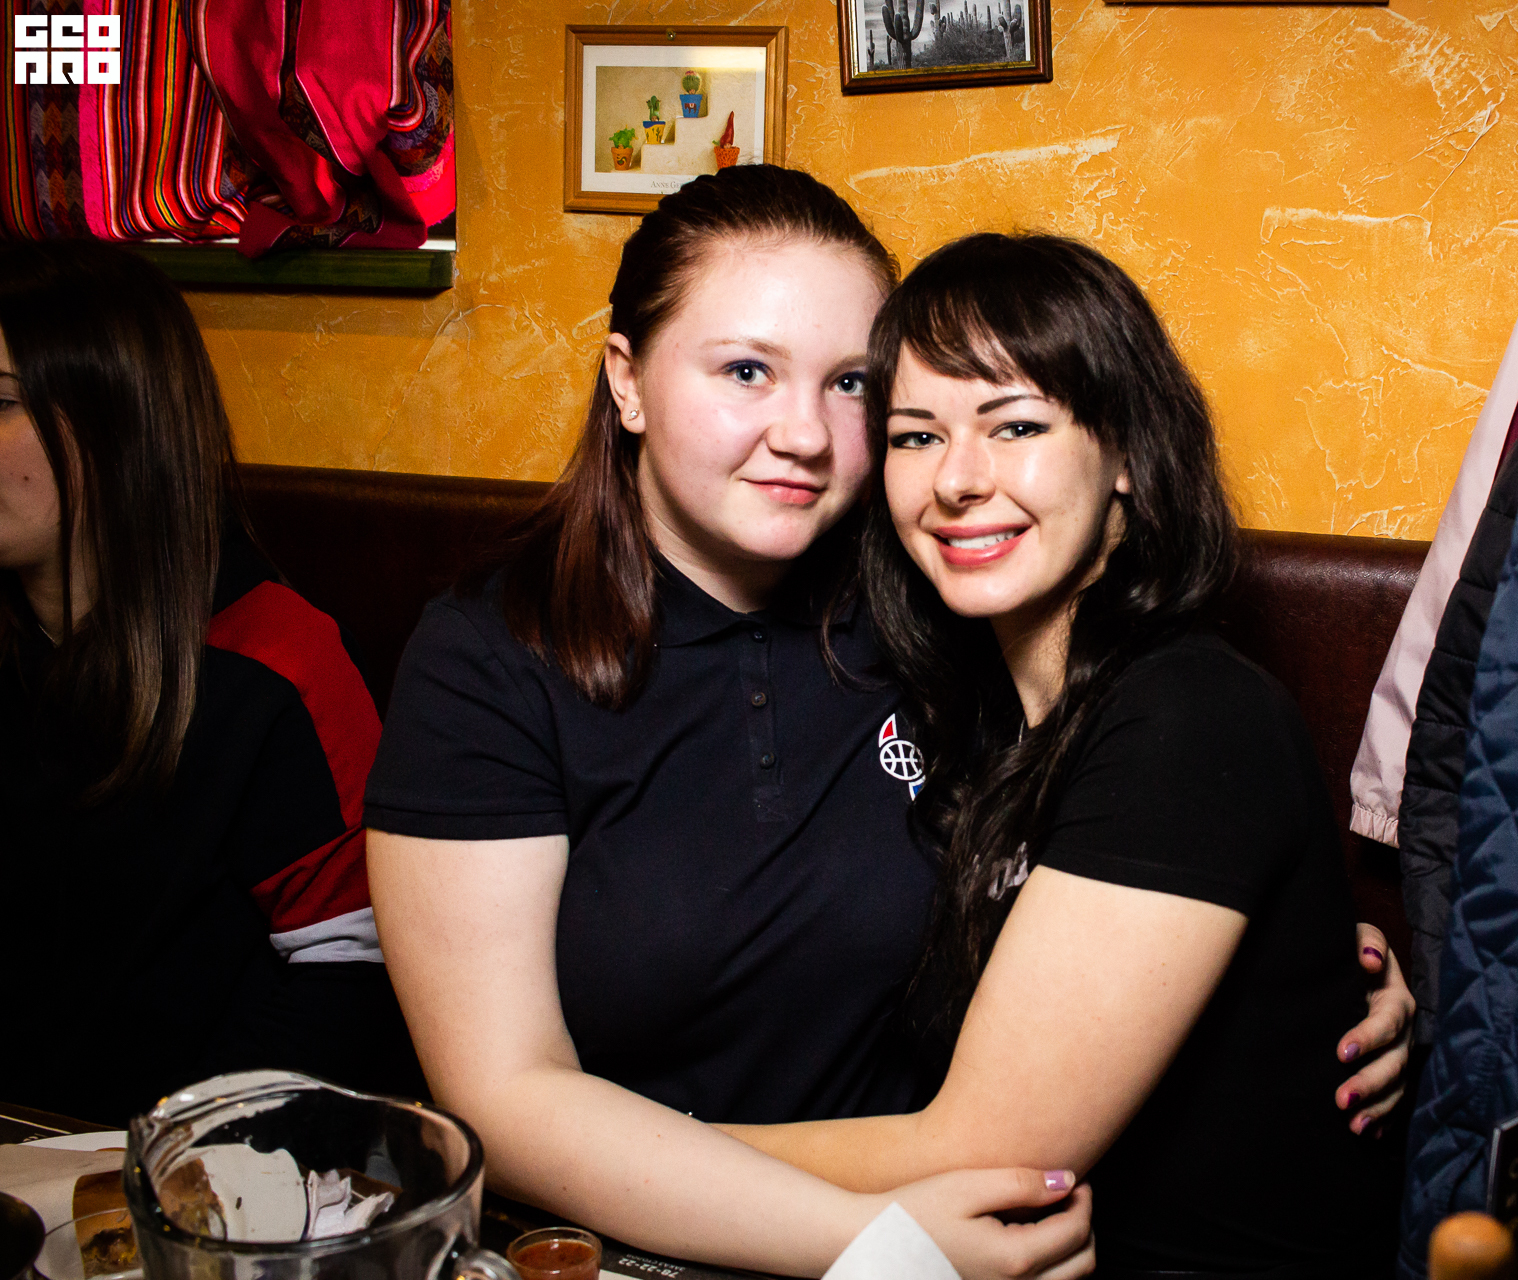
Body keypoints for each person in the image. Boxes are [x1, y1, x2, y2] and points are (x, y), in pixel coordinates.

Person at [363, 167, 1407, 1278]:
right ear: (628, 381)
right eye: (747, 370)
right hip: (689, 1249)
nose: (804, 433)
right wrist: (845, 1233)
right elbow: (502, 1094)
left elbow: (1154, 818)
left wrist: (1302, 967)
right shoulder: (489, 660)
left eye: (851, 385)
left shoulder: (941, 610)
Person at [720, 233, 1401, 1277]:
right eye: (916, 436)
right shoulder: (980, 720)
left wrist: (615, 1152)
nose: (957, 479)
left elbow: (990, 1154)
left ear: (1125, 452)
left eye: (1018, 425)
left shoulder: (1189, 715)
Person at [0, 240, 420, 1125]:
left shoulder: (275, 661)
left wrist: (173, 1153)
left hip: (187, 1162)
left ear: (114, 427)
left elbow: (348, 971)